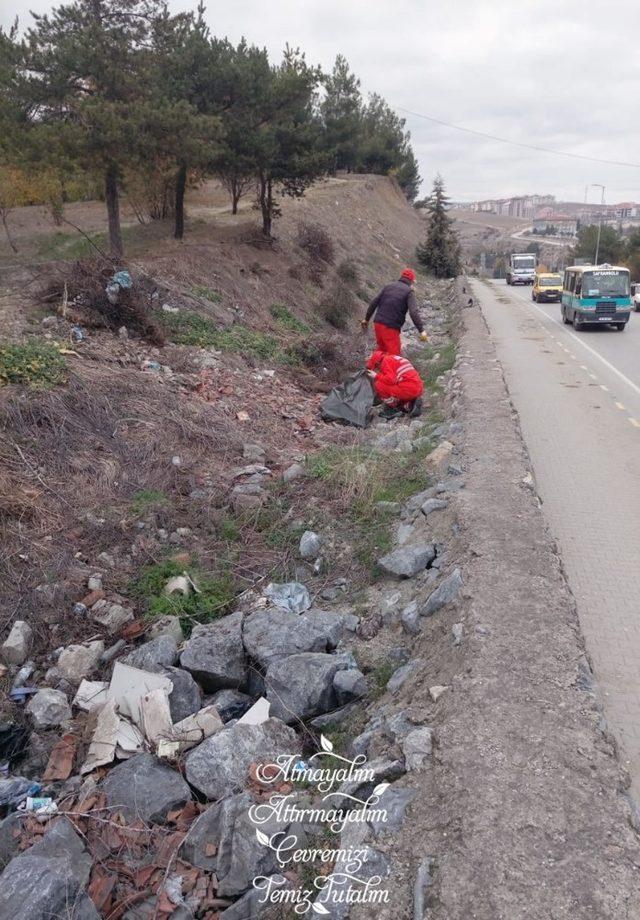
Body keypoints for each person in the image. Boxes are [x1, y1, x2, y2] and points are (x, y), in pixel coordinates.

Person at [361, 268, 428, 355]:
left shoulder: (388, 287)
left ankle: (371, 367)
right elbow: (413, 312)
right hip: (390, 327)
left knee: (382, 349)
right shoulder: (409, 292)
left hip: (378, 323)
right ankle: (379, 367)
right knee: (394, 355)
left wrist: (366, 319)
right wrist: (421, 330)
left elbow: (374, 303)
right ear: (411, 281)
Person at [366, 349, 424, 419]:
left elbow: (391, 380)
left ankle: (393, 408)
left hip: (408, 389)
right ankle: (410, 404)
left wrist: (376, 376)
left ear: (377, 363)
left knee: (379, 385)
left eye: (376, 367)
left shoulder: (385, 362)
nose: (378, 370)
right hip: (417, 387)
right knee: (398, 392)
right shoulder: (393, 358)